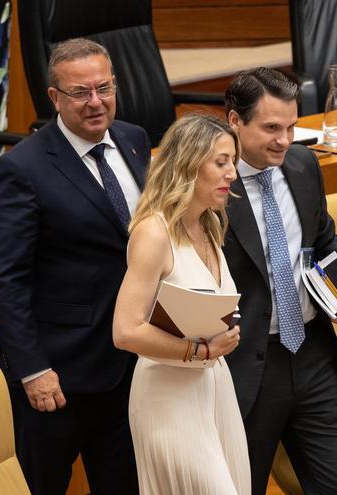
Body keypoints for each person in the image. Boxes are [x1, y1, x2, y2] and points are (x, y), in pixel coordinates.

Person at [0, 38, 150, 495]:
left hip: (129, 363)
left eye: (104, 88)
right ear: (55, 98)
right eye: (81, 93)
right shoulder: (22, 168)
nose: (95, 102)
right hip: (59, 376)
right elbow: (5, 280)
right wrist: (33, 369)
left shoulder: (134, 141)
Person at [222, 67, 337, 495]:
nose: (284, 141)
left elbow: (322, 235)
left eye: (291, 127)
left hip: (312, 354)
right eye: (271, 128)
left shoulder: (303, 164)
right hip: (246, 365)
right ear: (234, 121)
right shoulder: (210, 185)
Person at [113, 113, 250, 494]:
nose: (232, 175)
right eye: (221, 162)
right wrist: (200, 349)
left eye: (233, 163)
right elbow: (125, 331)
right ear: (189, 163)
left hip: (213, 389)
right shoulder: (153, 233)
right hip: (168, 399)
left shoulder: (208, 223)